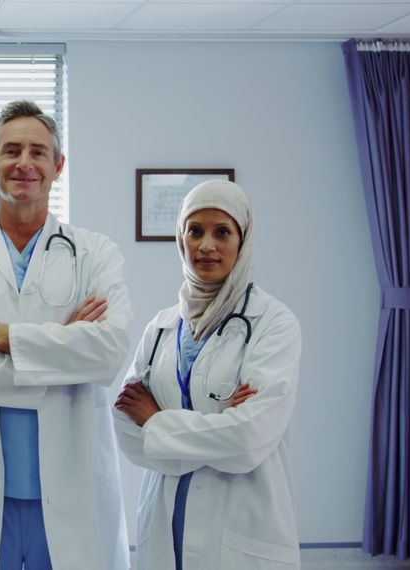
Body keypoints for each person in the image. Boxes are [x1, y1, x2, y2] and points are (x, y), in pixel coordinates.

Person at [0, 100, 133, 570]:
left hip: (70, 486)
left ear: (58, 166)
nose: (24, 163)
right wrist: (61, 349)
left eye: (39, 152)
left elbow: (108, 354)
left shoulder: (95, 253)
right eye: (11, 150)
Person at [113, 180, 302, 570]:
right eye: (194, 231)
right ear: (181, 239)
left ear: (243, 239)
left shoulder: (274, 323)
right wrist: (218, 429)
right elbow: (125, 431)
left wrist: (157, 422)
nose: (206, 246)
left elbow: (249, 439)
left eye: (222, 232)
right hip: (167, 526)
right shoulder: (161, 327)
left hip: (239, 528)